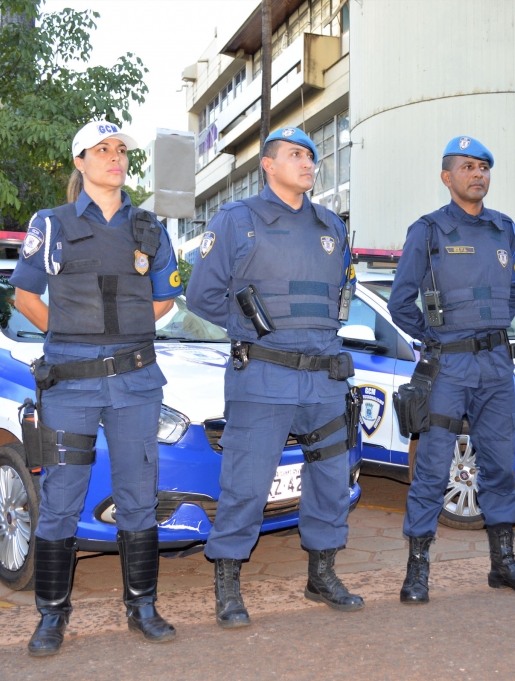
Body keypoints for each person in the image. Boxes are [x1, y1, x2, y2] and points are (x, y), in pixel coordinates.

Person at [11, 120, 183, 655]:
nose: (115, 157)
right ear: (79, 162)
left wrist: (118, 340)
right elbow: (25, 297)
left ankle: (142, 605)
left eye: (120, 150)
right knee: (62, 498)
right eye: (101, 150)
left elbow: (163, 301)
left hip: (135, 382)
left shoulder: (151, 228)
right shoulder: (51, 223)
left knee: (138, 496)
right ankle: (51, 617)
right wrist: (73, 337)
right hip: (72, 384)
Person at [187, 126, 363, 628]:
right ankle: (227, 585)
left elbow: (339, 300)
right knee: (246, 483)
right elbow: (202, 296)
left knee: (330, 480)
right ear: (267, 164)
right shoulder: (238, 220)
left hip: (324, 379)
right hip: (263, 375)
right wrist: (251, 327)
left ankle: (321, 575)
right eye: (294, 154)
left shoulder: (332, 224)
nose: (308, 162)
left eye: (311, 155)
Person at [388, 136, 515, 603]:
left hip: (497, 365)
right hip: (449, 367)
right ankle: (417, 571)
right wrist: (437, 337)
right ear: (447, 177)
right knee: (433, 468)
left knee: (499, 466)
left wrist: (488, 330)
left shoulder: (505, 229)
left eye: (483, 167)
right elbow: (400, 302)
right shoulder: (429, 231)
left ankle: (504, 565)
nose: (478, 174)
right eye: (467, 167)